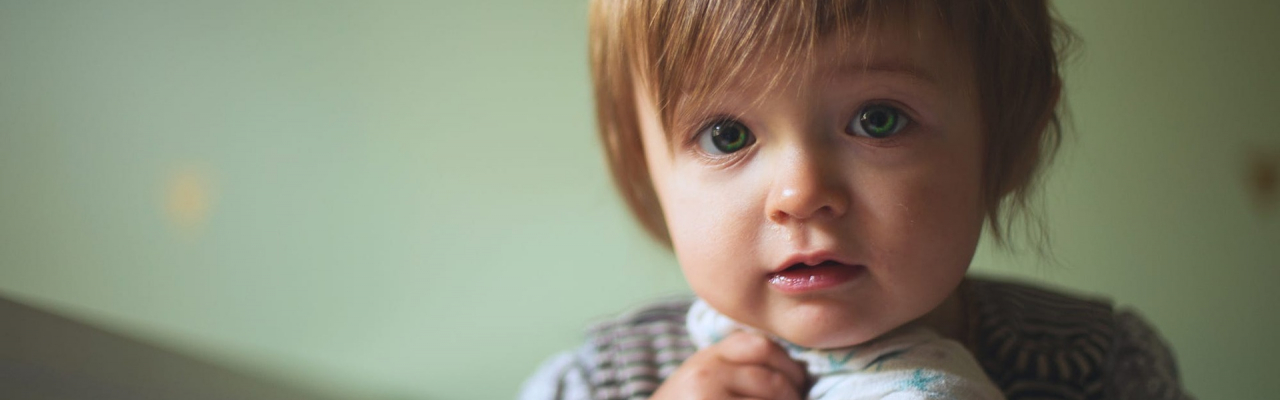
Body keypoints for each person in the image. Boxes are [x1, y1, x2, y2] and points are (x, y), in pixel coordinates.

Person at [522, 1, 1195, 399]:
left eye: (879, 119)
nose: (801, 195)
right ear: (647, 168)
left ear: (1007, 136)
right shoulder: (596, 382)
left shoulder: (1104, 367)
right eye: (727, 135)